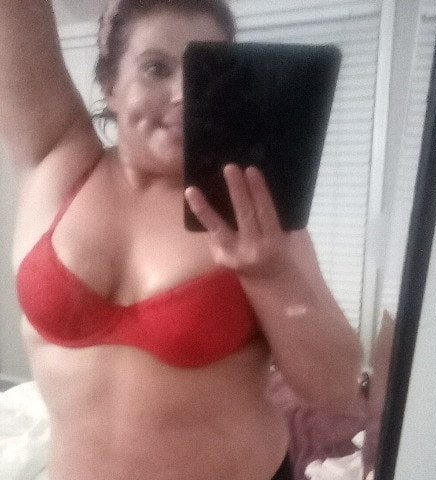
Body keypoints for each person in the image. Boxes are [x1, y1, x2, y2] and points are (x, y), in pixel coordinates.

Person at [0, 1, 363, 479]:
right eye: (156, 68)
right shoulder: (57, 158)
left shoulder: (252, 208)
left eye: (207, 75)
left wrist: (271, 275)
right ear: (110, 83)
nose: (184, 95)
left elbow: (335, 388)